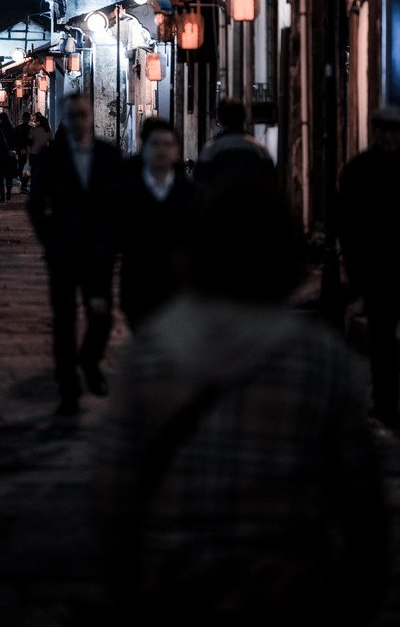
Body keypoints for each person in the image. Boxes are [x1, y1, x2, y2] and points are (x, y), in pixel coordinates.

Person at [93, 177, 391, 626]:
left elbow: (113, 496)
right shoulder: (316, 360)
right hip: (288, 597)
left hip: (171, 594)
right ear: (285, 260)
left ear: (193, 253)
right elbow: (362, 506)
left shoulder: (150, 353)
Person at [27, 93, 124, 414]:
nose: (78, 121)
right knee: (64, 320)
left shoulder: (110, 156)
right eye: (72, 116)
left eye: (83, 115)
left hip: (99, 252)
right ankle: (68, 385)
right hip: (63, 252)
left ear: (91, 116)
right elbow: (36, 204)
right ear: (64, 119)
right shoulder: (51, 157)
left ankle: (90, 361)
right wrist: (50, 239)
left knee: (102, 316)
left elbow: (120, 202)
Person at [337, 103, 400, 431]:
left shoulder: (358, 169)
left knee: (384, 342)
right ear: (376, 133)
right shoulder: (359, 171)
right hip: (378, 271)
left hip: (379, 269)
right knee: (383, 342)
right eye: (386, 132)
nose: (390, 138)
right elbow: (349, 225)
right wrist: (357, 270)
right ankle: (386, 404)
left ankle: (386, 404)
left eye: (394, 132)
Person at [113, 117, 197, 332]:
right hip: (138, 286)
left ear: (176, 150)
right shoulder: (127, 192)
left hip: (177, 289)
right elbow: (110, 240)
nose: (161, 150)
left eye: (168, 144)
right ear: (144, 148)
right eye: (155, 144)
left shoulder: (190, 194)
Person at [192, 96, 276, 191]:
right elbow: (270, 183)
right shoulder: (259, 150)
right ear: (244, 117)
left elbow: (199, 185)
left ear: (220, 119)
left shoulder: (210, 150)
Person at [0, 110, 18, 202]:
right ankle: (9, 190)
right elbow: (17, 142)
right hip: (10, 156)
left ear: (0, 120)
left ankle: (2, 196)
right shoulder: (13, 130)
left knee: (0, 177)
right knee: (9, 175)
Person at [28, 111, 54, 190]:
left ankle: (34, 187)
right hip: (44, 154)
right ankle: (43, 188)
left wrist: (27, 153)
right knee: (44, 171)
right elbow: (52, 143)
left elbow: (29, 142)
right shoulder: (48, 131)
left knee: (34, 172)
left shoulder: (33, 130)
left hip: (34, 153)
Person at [12, 112, 33, 193]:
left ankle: (23, 184)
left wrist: (18, 149)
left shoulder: (18, 128)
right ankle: (24, 185)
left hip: (20, 151)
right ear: (29, 118)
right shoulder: (32, 128)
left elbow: (14, 140)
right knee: (27, 167)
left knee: (21, 167)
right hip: (29, 151)